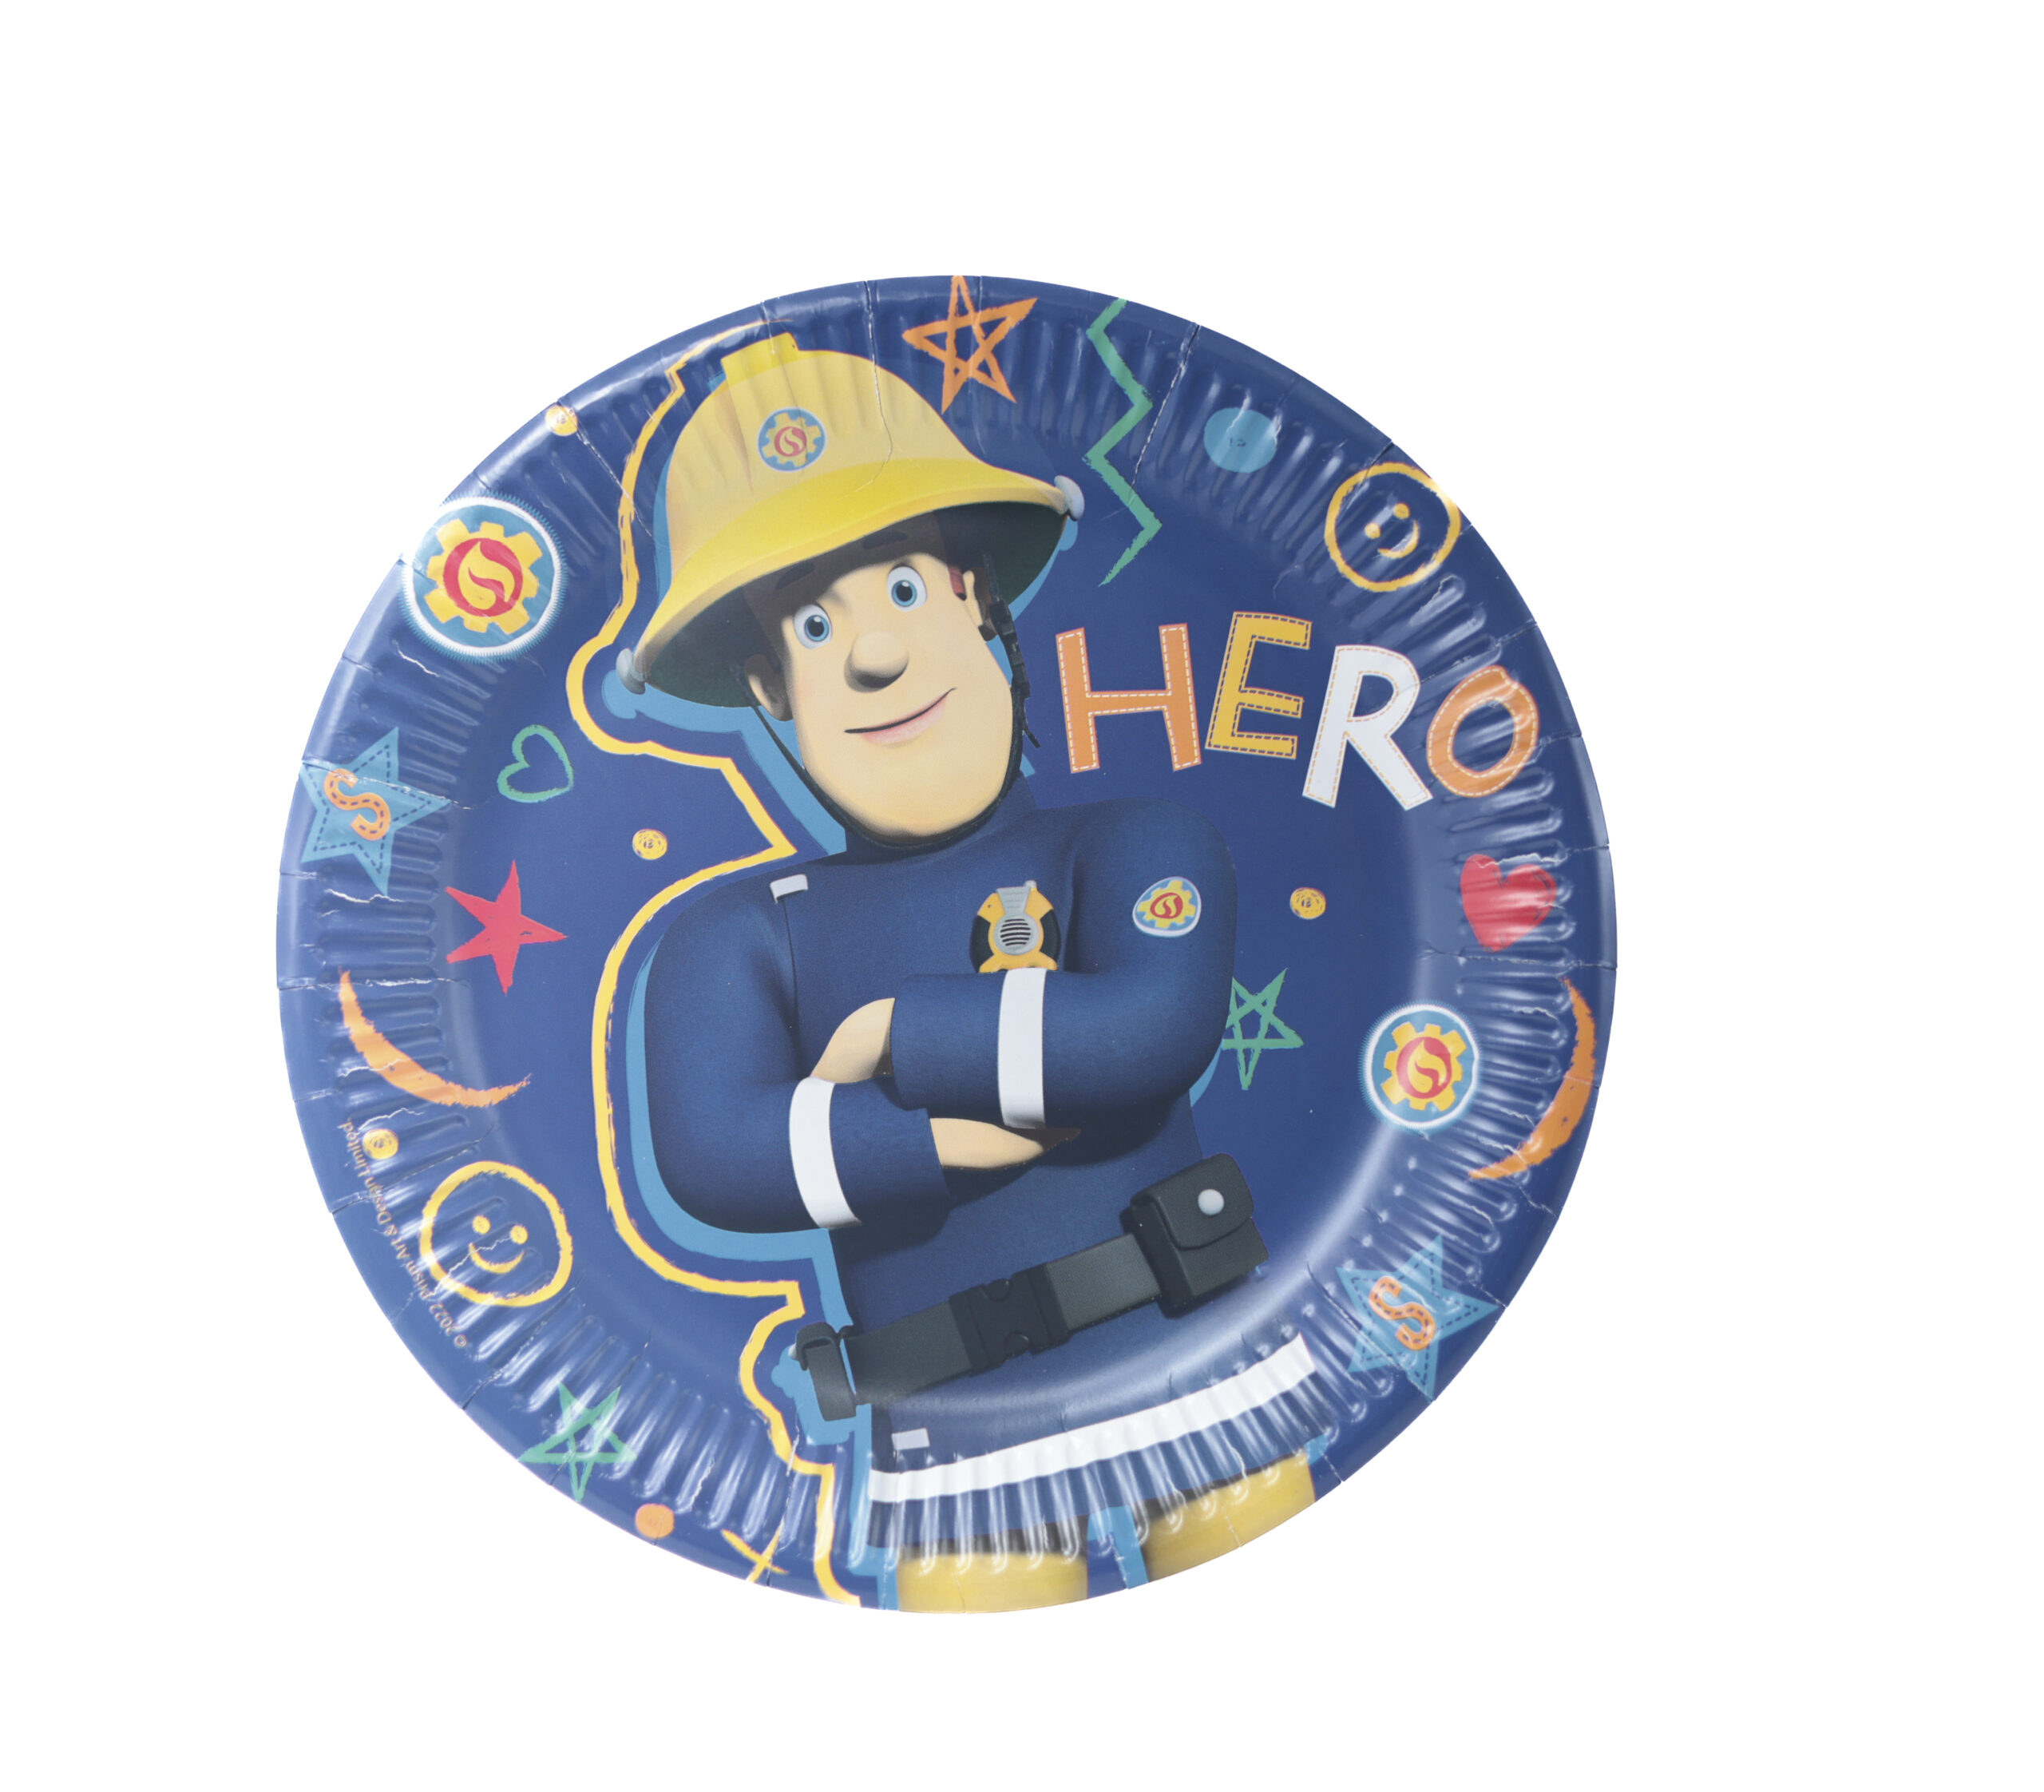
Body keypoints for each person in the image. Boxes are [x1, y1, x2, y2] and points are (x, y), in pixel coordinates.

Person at [624, 332, 1321, 1610]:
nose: (874, 658)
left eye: (899, 591)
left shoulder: (1132, 843)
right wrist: (931, 1144)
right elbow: (712, 1152)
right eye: (817, 624)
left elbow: (1152, 1026)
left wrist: (898, 1034)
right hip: (956, 1443)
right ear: (771, 684)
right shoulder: (733, 939)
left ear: (973, 597)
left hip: (1201, 1371)